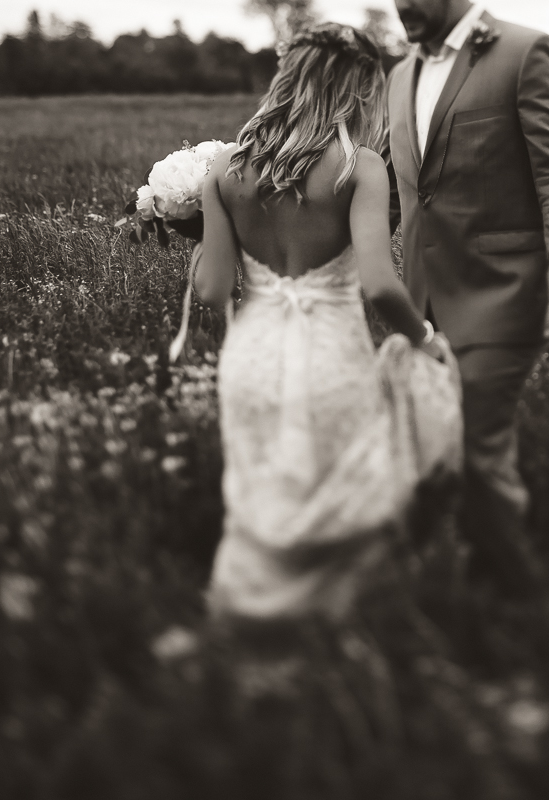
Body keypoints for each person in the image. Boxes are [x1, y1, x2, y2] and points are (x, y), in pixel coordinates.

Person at [190, 24, 463, 622]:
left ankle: (248, 624)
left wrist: (213, 257)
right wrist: (424, 341)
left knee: (262, 499)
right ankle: (338, 630)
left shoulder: (224, 169)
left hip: (253, 358)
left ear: (287, 80)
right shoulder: (359, 167)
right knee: (342, 500)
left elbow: (211, 289)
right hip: (331, 358)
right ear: (356, 92)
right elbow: (379, 285)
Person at [387, 0, 549, 589]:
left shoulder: (526, 52)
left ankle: (522, 598)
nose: (400, 3)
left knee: (477, 450)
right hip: (419, 302)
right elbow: (386, 191)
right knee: (429, 456)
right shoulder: (400, 73)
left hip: (502, 290)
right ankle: (451, 589)